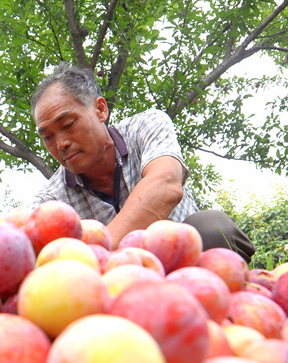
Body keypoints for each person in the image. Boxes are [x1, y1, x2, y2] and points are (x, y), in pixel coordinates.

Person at [30, 62, 254, 262]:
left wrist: (97, 257)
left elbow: (165, 184)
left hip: (184, 265)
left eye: (68, 125)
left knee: (212, 228)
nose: (60, 144)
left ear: (100, 109)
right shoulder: (51, 201)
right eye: (48, 137)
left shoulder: (146, 126)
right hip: (117, 288)